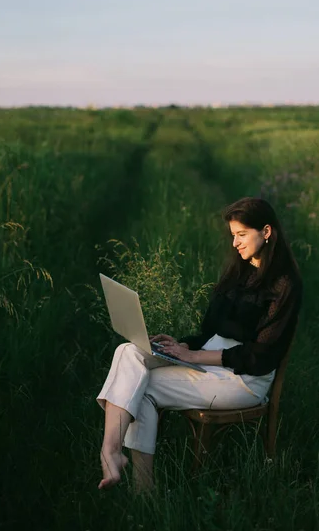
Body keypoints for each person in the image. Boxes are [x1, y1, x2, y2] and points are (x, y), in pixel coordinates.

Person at [96, 197, 303, 492]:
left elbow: (260, 357)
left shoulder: (285, 285)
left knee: (141, 387)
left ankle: (140, 488)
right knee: (128, 351)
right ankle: (114, 453)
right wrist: (181, 345)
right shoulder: (239, 271)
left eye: (241, 235)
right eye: (233, 235)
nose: (235, 243)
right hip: (209, 361)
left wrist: (193, 355)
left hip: (244, 380)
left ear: (266, 232)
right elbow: (211, 331)